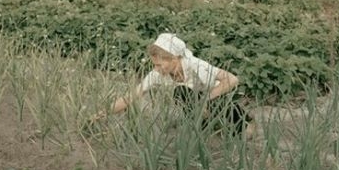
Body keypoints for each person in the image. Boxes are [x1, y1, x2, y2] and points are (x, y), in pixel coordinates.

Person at [94, 33, 252, 136]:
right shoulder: (158, 75)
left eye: (159, 64)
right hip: (197, 100)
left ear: (175, 59)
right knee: (181, 92)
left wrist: (207, 99)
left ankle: (244, 126)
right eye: (154, 64)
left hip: (218, 95)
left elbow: (232, 80)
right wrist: (102, 113)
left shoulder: (196, 66)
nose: (156, 69)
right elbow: (130, 97)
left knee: (222, 109)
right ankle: (203, 124)